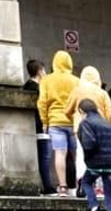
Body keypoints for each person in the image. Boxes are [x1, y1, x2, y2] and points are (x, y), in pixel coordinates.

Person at [36, 51, 78, 196]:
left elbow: (42, 102)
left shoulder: (46, 80)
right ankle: (80, 186)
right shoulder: (75, 81)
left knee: (60, 153)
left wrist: (44, 121)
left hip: (55, 121)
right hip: (73, 122)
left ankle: (63, 187)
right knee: (76, 155)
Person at [75, 99, 111, 211]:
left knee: (86, 182)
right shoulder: (108, 124)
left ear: (81, 111)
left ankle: (94, 208)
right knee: (110, 197)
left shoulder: (86, 123)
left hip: (96, 163)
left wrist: (88, 160)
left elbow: (89, 144)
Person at [25, 59, 52, 195]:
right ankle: (47, 186)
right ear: (40, 71)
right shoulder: (37, 88)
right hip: (40, 125)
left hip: (36, 126)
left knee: (44, 156)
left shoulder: (28, 86)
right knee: (45, 157)